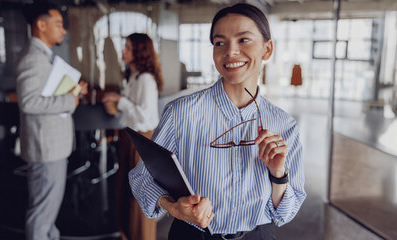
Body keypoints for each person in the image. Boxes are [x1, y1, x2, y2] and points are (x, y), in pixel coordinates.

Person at [128, 3, 306, 240]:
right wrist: (172, 207)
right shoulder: (181, 114)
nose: (230, 51)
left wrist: (278, 174)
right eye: (220, 43)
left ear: (267, 49)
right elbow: (141, 177)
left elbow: (286, 212)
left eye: (244, 40)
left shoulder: (284, 124)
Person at [17, 3, 88, 240]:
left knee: (47, 212)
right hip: (45, 148)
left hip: (51, 147)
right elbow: (29, 103)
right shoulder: (33, 58)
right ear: (41, 25)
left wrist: (73, 92)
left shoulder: (42, 56)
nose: (64, 30)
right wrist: (70, 101)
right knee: (41, 213)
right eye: (59, 24)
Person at [102, 33, 163, 240]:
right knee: (128, 193)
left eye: (128, 47)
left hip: (142, 140)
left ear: (139, 51)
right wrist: (118, 106)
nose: (124, 51)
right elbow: (132, 112)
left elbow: (145, 117)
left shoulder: (145, 79)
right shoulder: (134, 76)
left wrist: (120, 101)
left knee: (141, 196)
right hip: (131, 138)